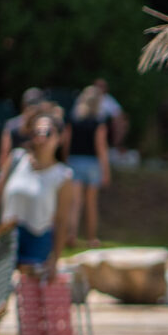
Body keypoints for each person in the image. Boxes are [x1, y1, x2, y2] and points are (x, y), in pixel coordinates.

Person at [0, 112, 77, 335]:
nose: (41, 137)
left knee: (31, 296)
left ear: (59, 138)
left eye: (47, 132)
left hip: (38, 237)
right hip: (8, 233)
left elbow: (61, 222)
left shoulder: (62, 176)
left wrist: (55, 258)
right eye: (37, 132)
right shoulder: (17, 160)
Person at [63, 84, 113, 247]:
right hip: (92, 164)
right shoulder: (98, 122)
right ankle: (91, 238)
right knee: (91, 204)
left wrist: (66, 160)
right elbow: (101, 147)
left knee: (75, 203)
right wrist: (106, 170)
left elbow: (66, 142)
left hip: (74, 161)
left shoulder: (73, 119)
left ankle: (71, 234)